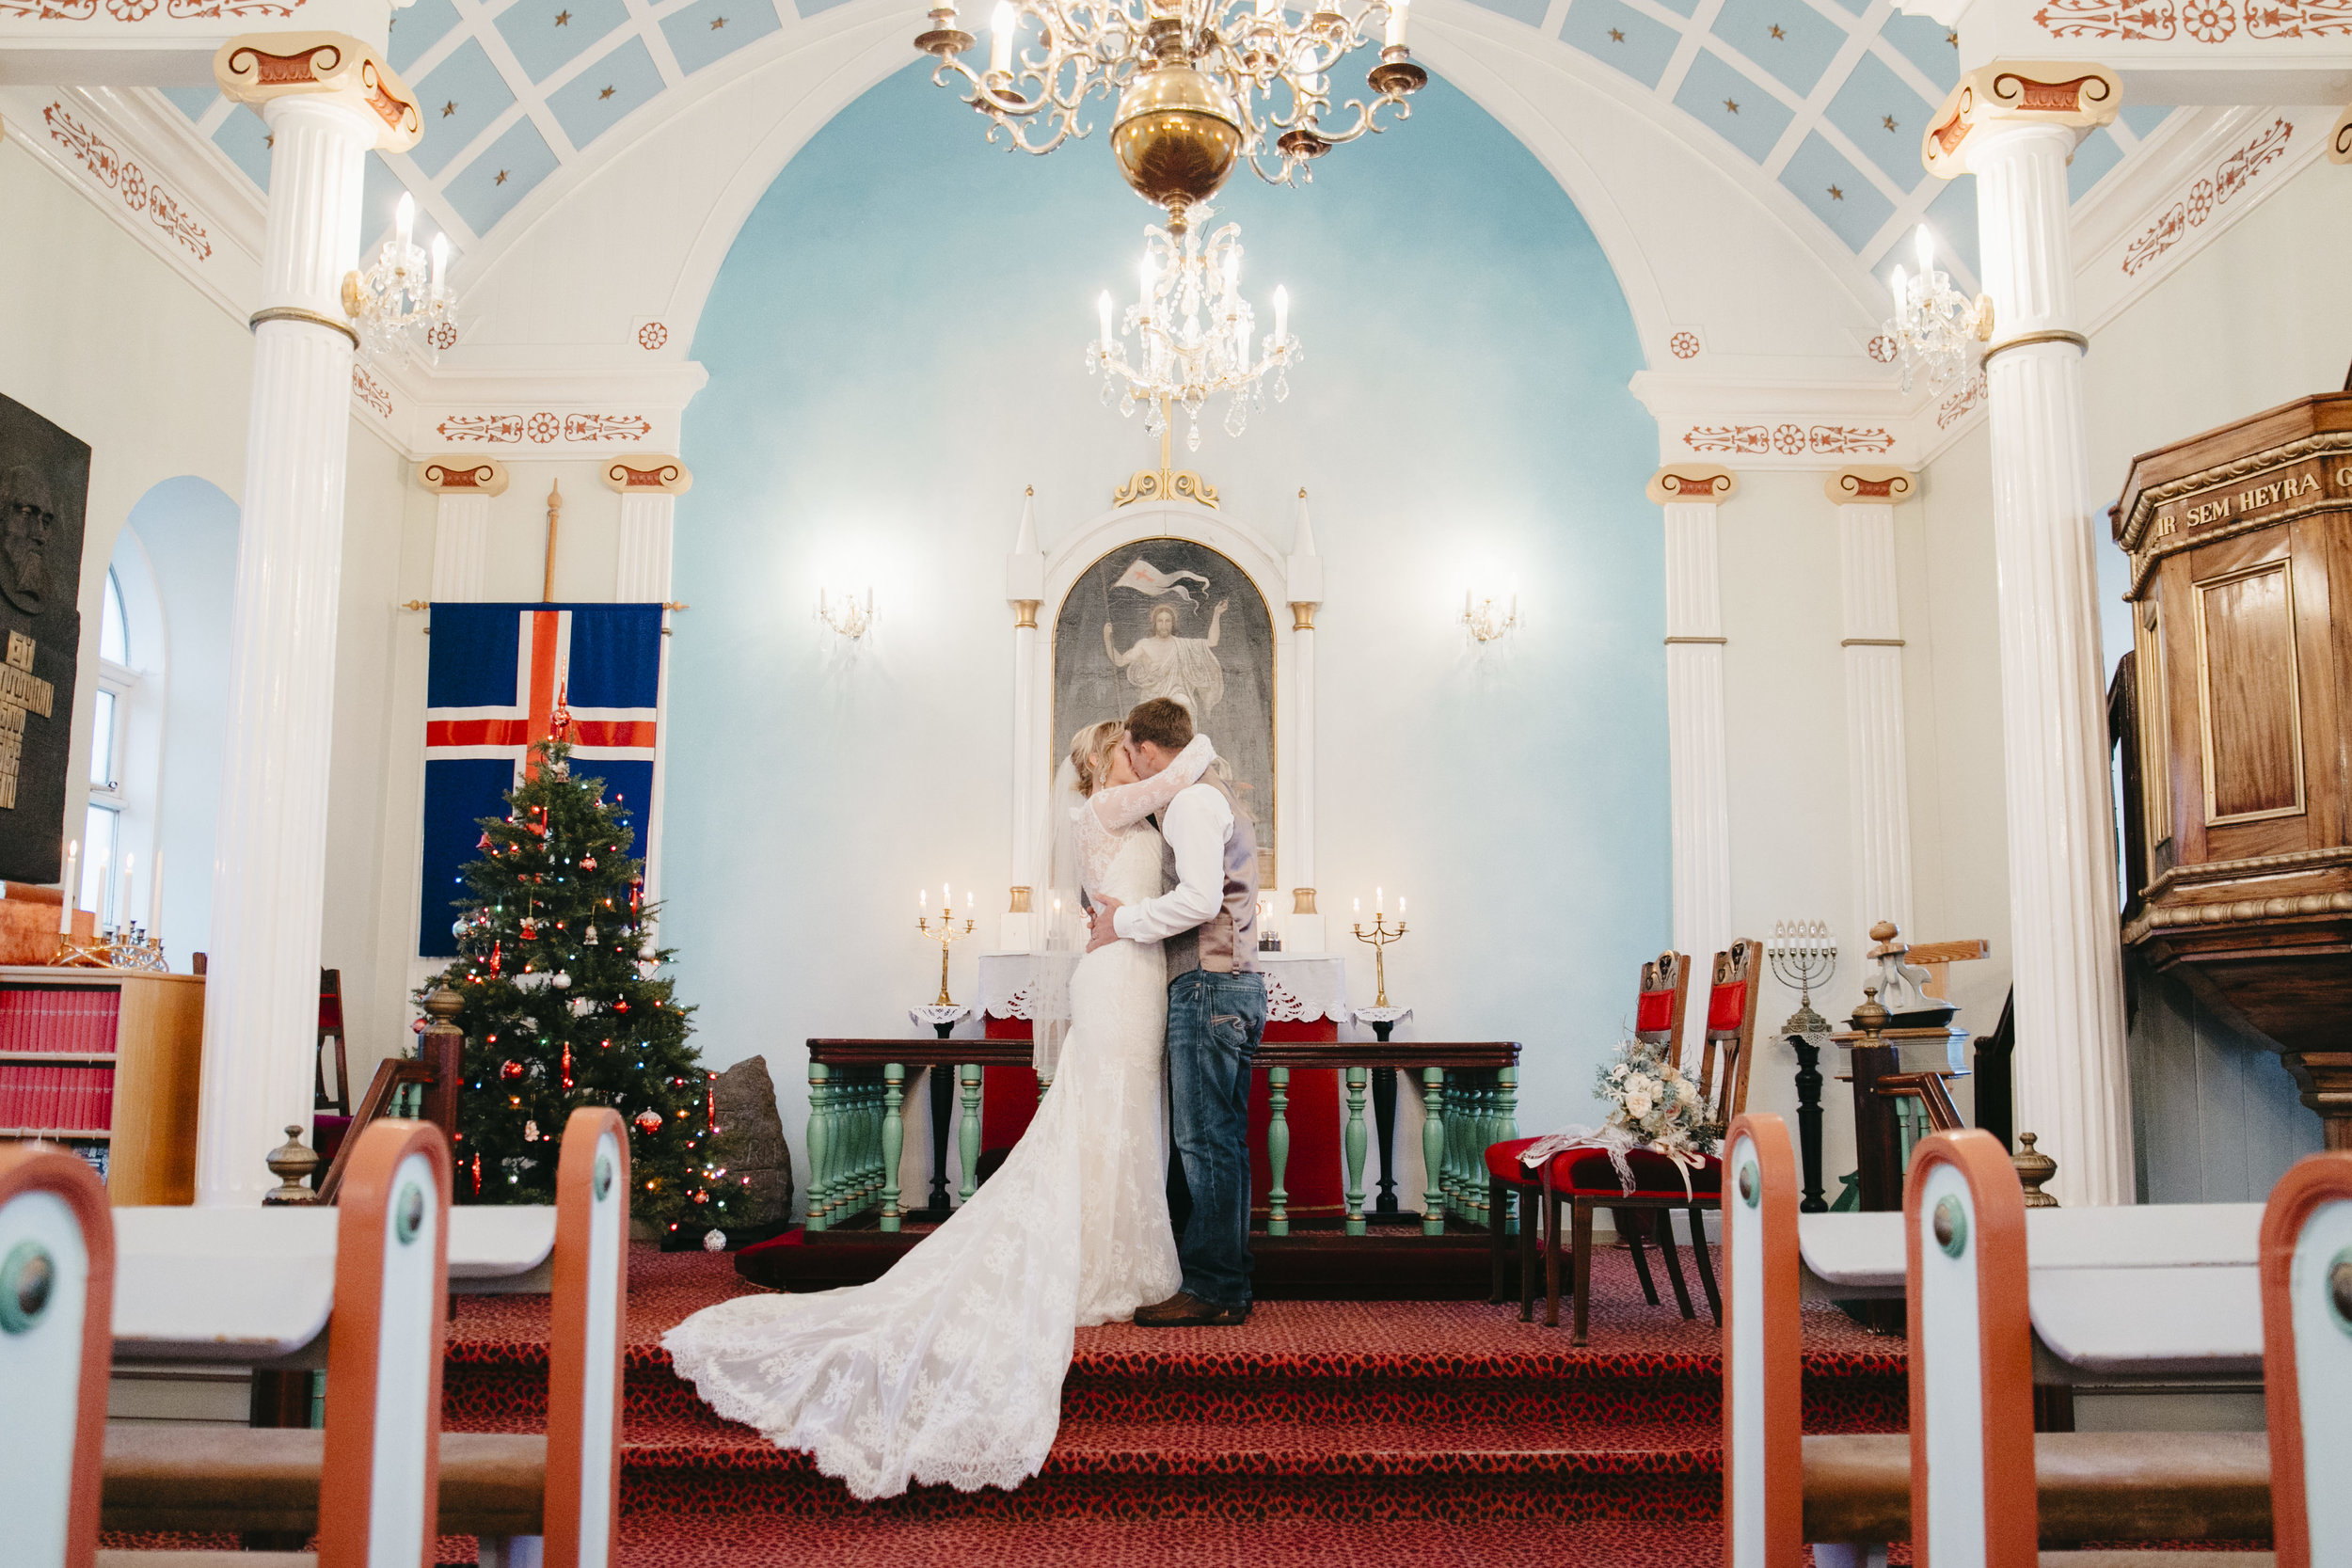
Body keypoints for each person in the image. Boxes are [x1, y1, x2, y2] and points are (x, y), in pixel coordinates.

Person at [662, 720, 1217, 1499]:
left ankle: (1117, 1254)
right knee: (1109, 1116)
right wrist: (1198, 740)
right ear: (1104, 763)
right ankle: (1103, 1262)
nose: (1142, 752)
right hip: (1120, 977)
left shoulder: (1123, 809)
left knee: (1125, 1120)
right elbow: (1179, 774)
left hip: (1132, 975)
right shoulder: (1103, 810)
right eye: (1130, 745)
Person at [1087, 696, 1267, 1327]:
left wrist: (1124, 922)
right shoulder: (1216, 795)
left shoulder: (1191, 802)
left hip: (1208, 984)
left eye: (1133, 753)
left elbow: (1198, 897)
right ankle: (1230, 1277)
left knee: (1204, 1139)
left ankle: (1215, 1286)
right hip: (1236, 982)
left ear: (1145, 748)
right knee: (1224, 1138)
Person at [1103, 599, 1227, 719]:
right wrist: (1107, 639)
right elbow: (1119, 661)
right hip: (1151, 698)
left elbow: (1212, 642)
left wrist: (1216, 614)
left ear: (1172, 623)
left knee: (1184, 703)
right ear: (1155, 623)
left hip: (1177, 694)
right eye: (1160, 621)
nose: (1164, 625)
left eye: (1167, 621)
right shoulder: (1145, 645)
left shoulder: (1183, 644)